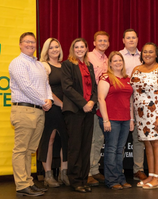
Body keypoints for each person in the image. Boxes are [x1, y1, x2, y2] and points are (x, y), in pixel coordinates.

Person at [9, 32, 53, 196]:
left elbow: (46, 84)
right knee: (21, 149)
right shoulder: (18, 63)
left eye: (33, 42)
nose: (30, 45)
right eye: (27, 42)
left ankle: (28, 182)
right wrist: (44, 101)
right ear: (20, 44)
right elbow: (25, 86)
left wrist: (49, 99)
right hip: (24, 110)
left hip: (38, 110)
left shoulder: (38, 64)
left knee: (30, 150)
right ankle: (21, 185)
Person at [130, 42, 158, 189]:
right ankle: (151, 175)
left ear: (156, 54)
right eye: (145, 52)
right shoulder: (136, 69)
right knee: (147, 143)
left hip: (157, 112)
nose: (147, 54)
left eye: (150, 52)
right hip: (141, 114)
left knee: (157, 142)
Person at [61, 38, 97, 193]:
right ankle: (75, 180)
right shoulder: (67, 64)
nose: (80, 49)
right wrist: (84, 103)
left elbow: (95, 88)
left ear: (86, 48)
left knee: (86, 146)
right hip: (75, 110)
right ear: (72, 49)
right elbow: (67, 88)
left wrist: (92, 102)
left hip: (88, 110)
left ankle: (83, 179)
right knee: (75, 146)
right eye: (77, 47)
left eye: (82, 47)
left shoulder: (89, 66)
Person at [97, 51, 134, 190]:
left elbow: (130, 100)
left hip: (125, 119)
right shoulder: (106, 77)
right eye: (115, 61)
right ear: (110, 63)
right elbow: (101, 99)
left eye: (120, 60)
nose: (118, 63)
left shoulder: (127, 78)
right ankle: (111, 181)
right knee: (111, 150)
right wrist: (106, 120)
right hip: (111, 119)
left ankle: (120, 178)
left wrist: (131, 119)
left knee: (120, 150)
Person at [37, 38, 69, 187]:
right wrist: (60, 104)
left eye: (57, 47)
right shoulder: (44, 66)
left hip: (65, 107)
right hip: (51, 106)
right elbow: (45, 88)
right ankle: (48, 175)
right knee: (49, 139)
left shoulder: (65, 66)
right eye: (51, 48)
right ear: (46, 50)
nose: (55, 50)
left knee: (65, 140)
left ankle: (64, 173)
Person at [119, 29, 147, 181]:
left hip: (141, 102)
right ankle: (118, 169)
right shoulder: (118, 56)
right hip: (122, 101)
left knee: (138, 138)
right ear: (123, 40)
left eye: (133, 37)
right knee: (121, 138)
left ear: (137, 39)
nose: (131, 40)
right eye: (128, 38)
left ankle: (138, 169)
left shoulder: (145, 56)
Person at [87, 31, 109, 186]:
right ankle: (87, 171)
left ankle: (95, 169)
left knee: (99, 138)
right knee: (91, 138)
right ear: (94, 43)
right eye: (99, 40)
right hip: (91, 101)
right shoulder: (88, 56)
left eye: (105, 41)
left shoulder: (107, 59)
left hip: (104, 102)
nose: (102, 43)